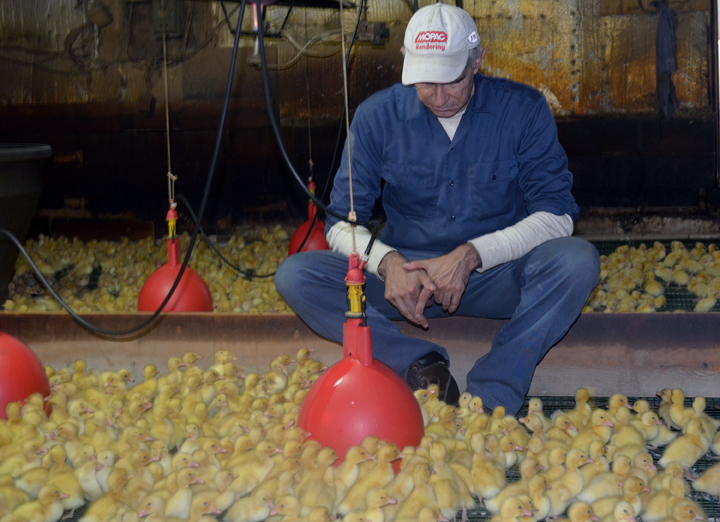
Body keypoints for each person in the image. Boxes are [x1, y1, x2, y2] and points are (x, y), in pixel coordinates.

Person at [275, 3, 600, 415]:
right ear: (406, 65)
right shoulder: (376, 117)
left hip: (492, 275)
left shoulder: (522, 110)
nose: (440, 96)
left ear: (477, 61)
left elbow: (558, 216)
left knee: (576, 262)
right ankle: (420, 365)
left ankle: (492, 394)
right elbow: (340, 222)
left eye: (453, 81)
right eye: (426, 83)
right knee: (298, 275)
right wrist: (386, 262)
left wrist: (471, 255)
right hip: (407, 282)